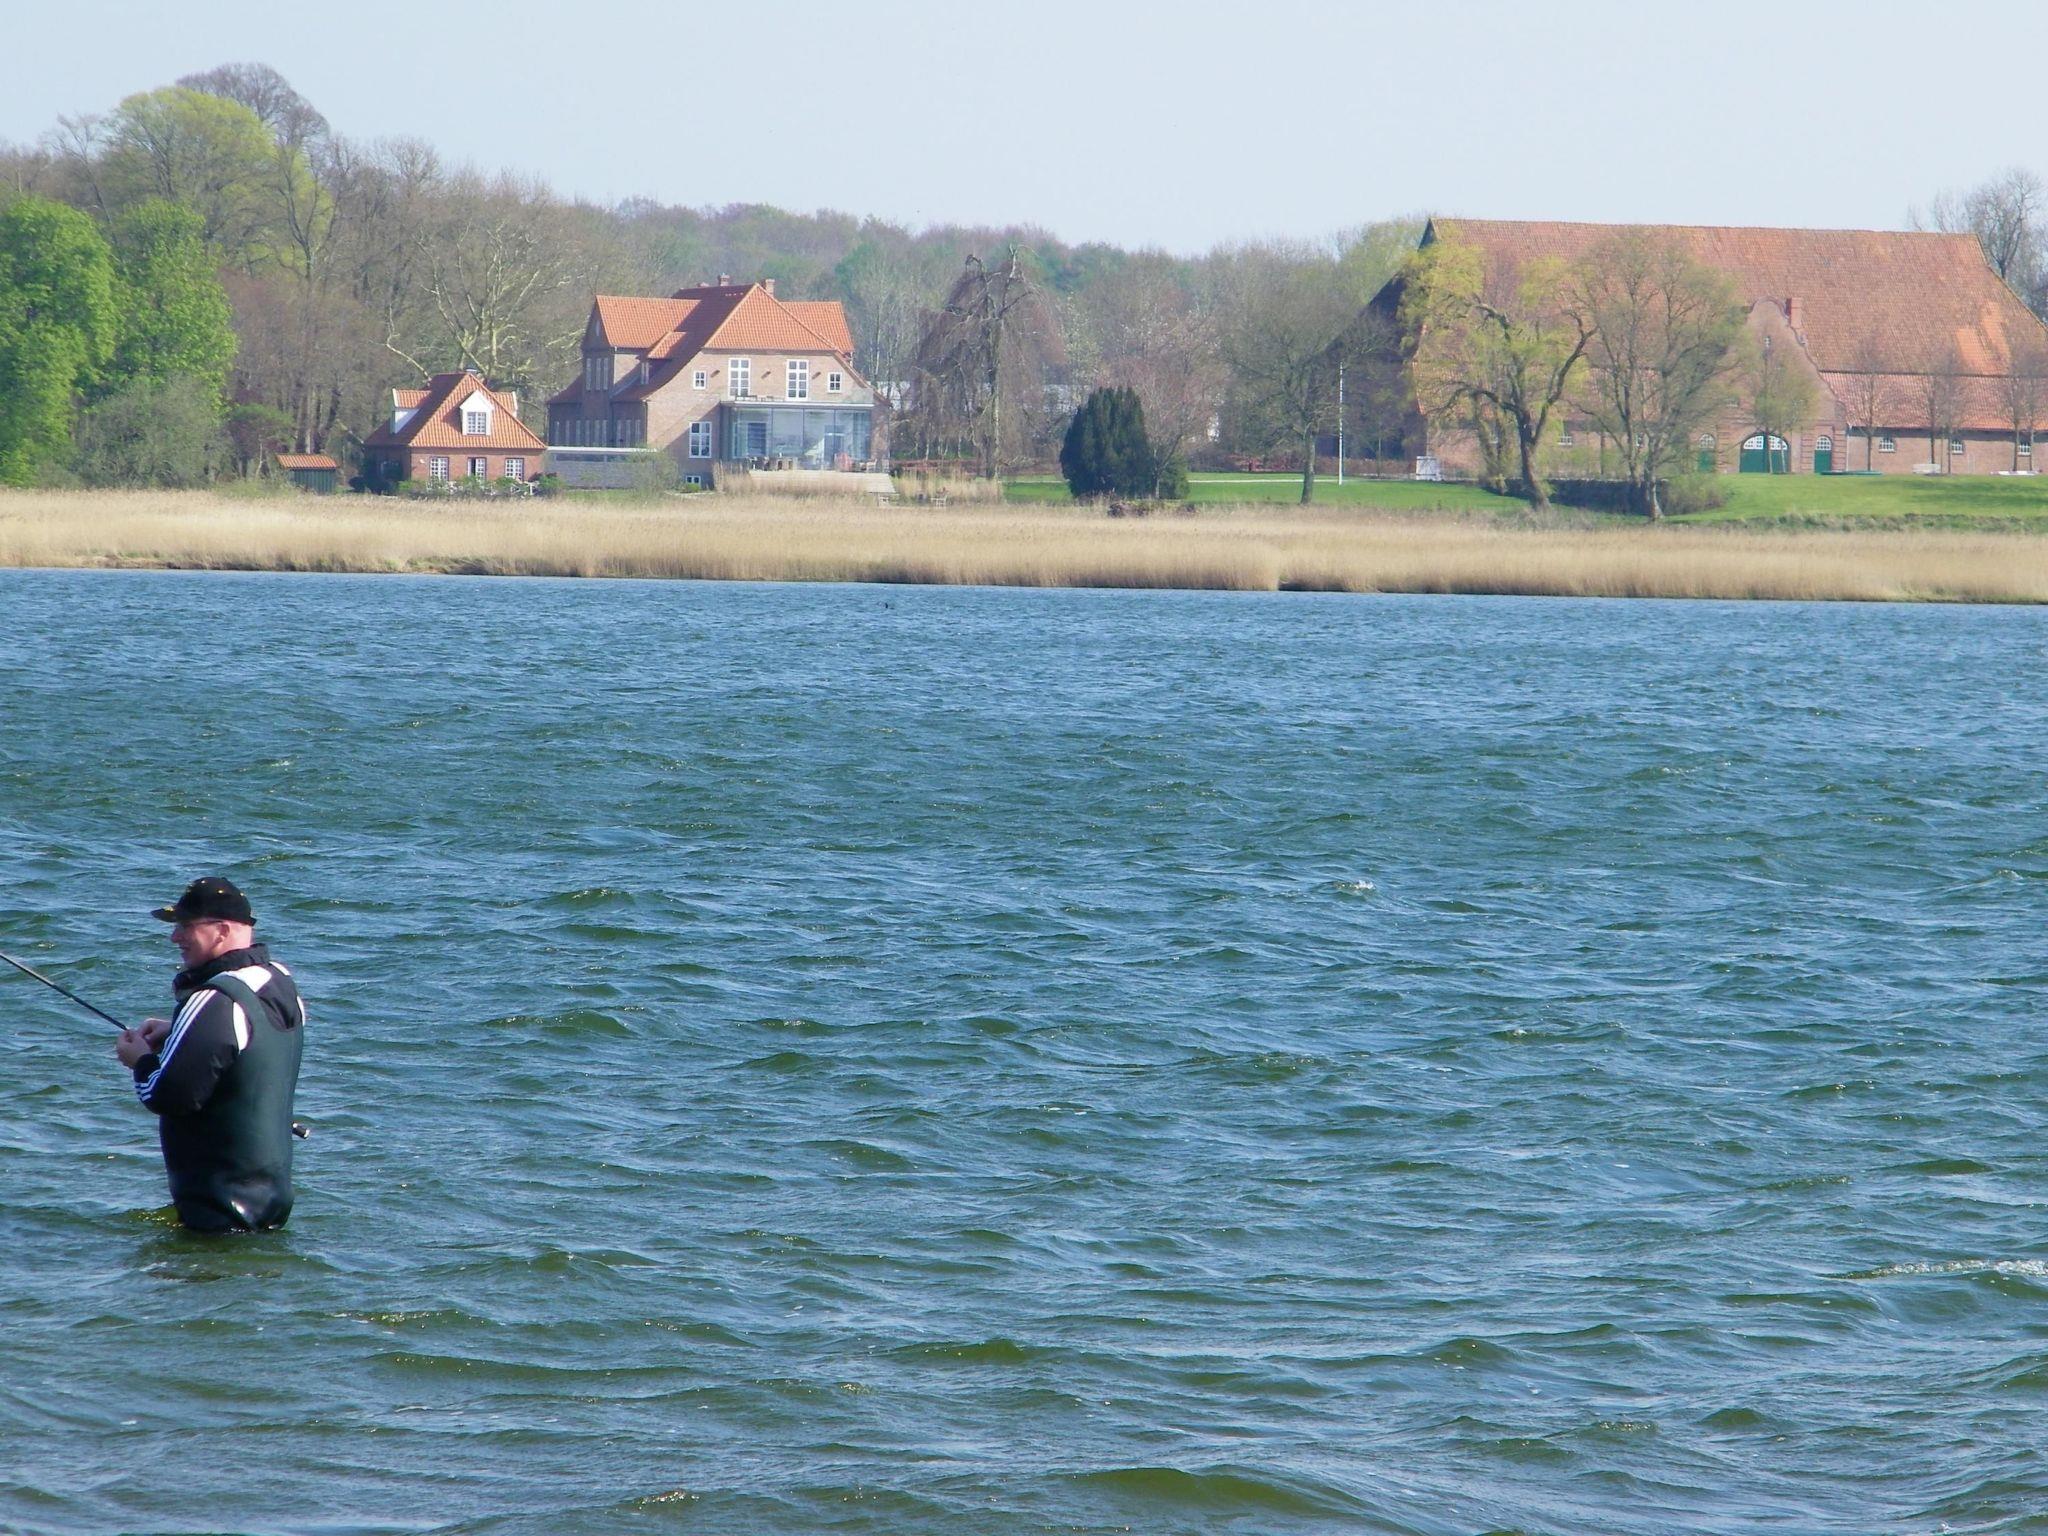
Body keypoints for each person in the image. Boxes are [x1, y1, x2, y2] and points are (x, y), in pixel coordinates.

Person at [114, 877, 306, 1232]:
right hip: (270, 1198)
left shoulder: (212, 999)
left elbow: (167, 1096)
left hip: (216, 1209)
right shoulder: (278, 980)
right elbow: (252, 1044)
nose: (175, 938)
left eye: (186, 926)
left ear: (222, 931)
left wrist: (139, 1059)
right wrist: (179, 1031)